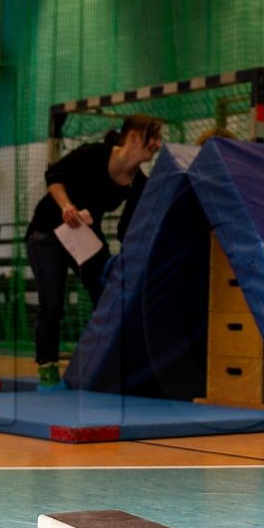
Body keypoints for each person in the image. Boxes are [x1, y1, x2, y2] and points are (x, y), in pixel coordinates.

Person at [25, 115, 162, 388]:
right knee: (52, 303)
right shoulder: (93, 154)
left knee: (107, 292)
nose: (158, 144)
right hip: (49, 231)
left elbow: (127, 230)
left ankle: (97, 361)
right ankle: (48, 370)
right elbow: (54, 177)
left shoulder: (139, 183)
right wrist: (67, 206)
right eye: (154, 137)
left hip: (84, 236)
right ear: (134, 137)